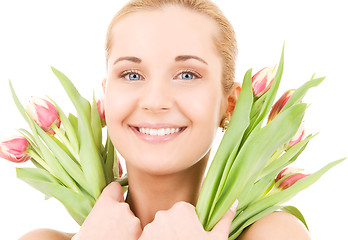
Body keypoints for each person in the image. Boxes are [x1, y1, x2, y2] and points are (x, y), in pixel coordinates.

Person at [19, 0, 311, 239]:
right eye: (132, 75)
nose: (155, 102)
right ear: (107, 96)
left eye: (187, 75)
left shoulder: (273, 234)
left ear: (230, 104)